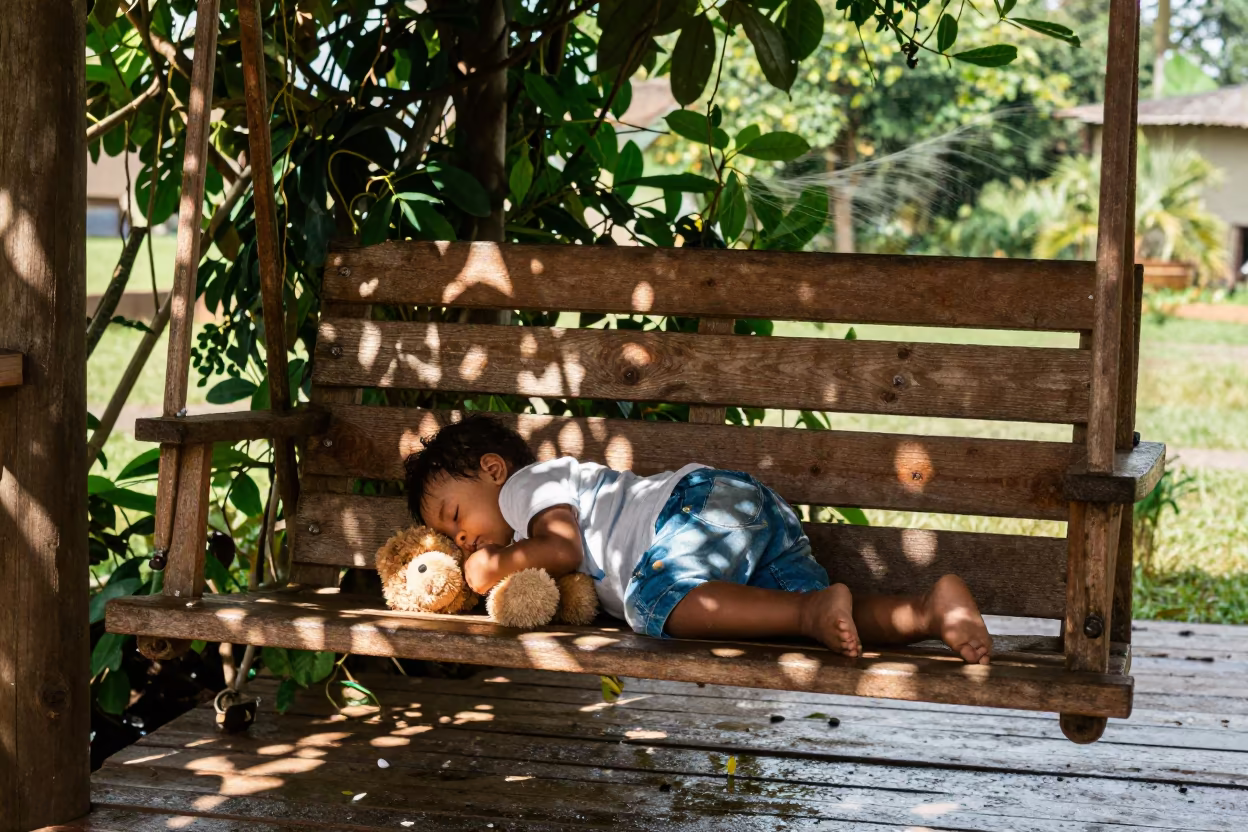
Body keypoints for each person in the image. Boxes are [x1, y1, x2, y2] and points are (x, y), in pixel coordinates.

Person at [405, 415, 993, 664]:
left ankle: (812, 610)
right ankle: (928, 611)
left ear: (491, 469)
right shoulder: (520, 503)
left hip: (695, 510)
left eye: (455, 516)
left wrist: (494, 565)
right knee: (829, 622)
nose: (459, 538)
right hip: (736, 522)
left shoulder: (529, 487)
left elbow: (562, 549)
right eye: (449, 537)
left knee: (652, 603)